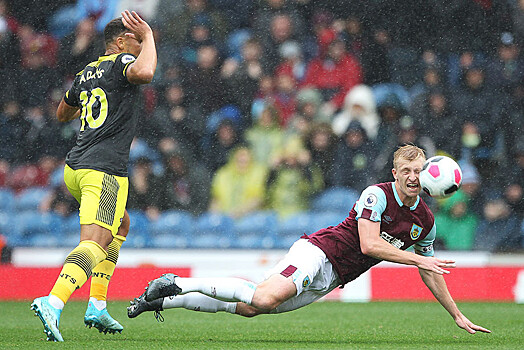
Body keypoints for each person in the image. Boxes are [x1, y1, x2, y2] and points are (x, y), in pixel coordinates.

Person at [127, 145, 490, 335]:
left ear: (428, 176)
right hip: (318, 252)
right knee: (264, 296)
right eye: (406, 170)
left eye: (418, 170)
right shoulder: (376, 196)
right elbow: (369, 245)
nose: (413, 176)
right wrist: (417, 260)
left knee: (255, 307)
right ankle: (174, 283)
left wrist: (456, 314)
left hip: (332, 278)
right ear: (395, 173)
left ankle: (161, 301)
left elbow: (431, 271)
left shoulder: (425, 222)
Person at [30, 10, 157, 342]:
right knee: (94, 243)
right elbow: (146, 71)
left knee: (122, 224)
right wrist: (151, 37)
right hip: (103, 170)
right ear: (120, 42)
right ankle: (53, 302)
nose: (140, 42)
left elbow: (62, 113)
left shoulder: (87, 72)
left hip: (75, 168)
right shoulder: (122, 63)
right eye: (134, 38)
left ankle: (97, 303)